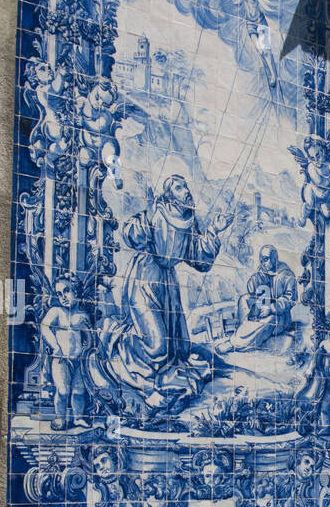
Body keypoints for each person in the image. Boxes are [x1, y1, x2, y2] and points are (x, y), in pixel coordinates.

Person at [88, 175, 232, 415]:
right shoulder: (156, 212)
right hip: (144, 278)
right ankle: (119, 342)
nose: (186, 191)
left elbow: (198, 258)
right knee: (156, 345)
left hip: (167, 285)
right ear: (168, 194)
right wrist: (148, 219)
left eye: (186, 186)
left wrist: (215, 230)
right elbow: (131, 235)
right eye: (179, 187)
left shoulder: (188, 219)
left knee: (180, 348)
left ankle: (164, 377)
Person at [217, 244, 298, 353]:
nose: (263, 263)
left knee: (269, 319)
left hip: (280, 315)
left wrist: (272, 308)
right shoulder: (263, 271)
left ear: (274, 258)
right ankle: (242, 332)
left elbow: (291, 299)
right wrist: (258, 276)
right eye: (261, 260)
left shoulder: (287, 274)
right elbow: (252, 290)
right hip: (263, 307)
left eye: (266, 259)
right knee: (244, 299)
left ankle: (234, 344)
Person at [40, 275, 92, 430]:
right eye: (59, 294)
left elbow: (89, 337)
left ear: (76, 290)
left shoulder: (82, 315)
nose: (63, 297)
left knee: (78, 392)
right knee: (62, 391)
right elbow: (44, 327)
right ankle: (60, 418)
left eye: (67, 291)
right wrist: (56, 347)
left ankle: (78, 418)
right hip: (60, 359)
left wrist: (86, 350)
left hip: (78, 360)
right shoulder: (56, 311)